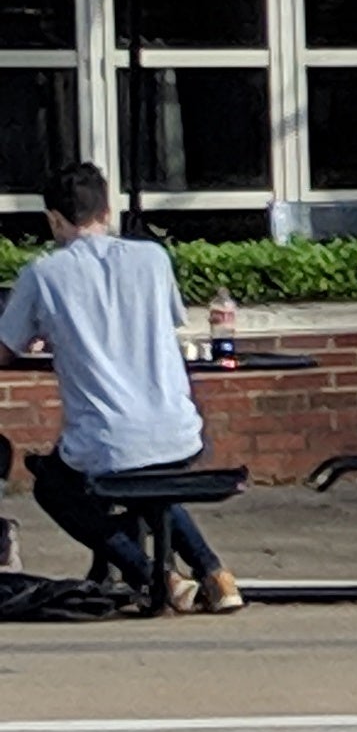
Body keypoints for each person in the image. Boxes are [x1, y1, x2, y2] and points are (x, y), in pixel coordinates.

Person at [0, 163, 239, 614]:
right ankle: (215, 573)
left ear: (54, 219)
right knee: (149, 481)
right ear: (107, 211)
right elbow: (160, 321)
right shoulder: (153, 258)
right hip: (178, 429)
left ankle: (157, 577)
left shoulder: (44, 273)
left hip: (106, 440)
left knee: (53, 487)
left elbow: (5, 348)